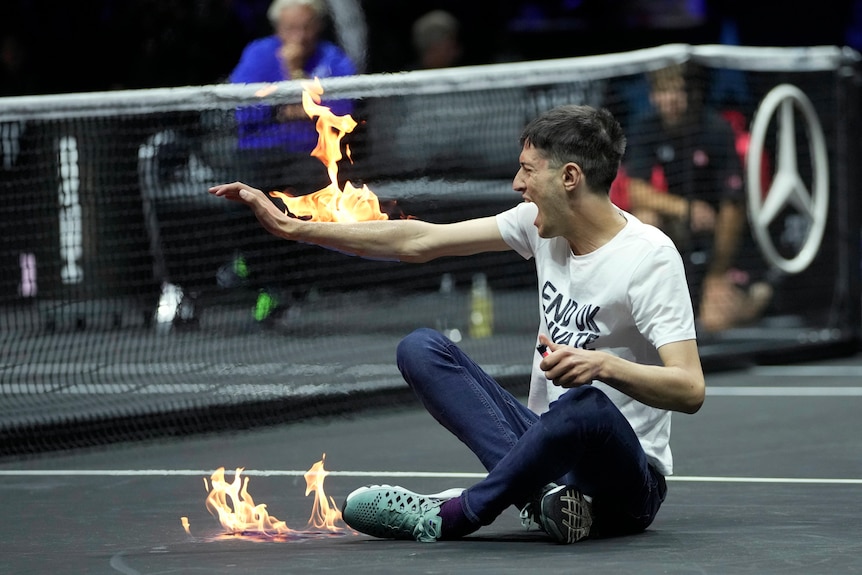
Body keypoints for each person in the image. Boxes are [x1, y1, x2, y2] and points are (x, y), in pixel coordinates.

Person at [209, 104, 705, 543]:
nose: (517, 184)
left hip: (626, 481)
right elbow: (417, 241)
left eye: (528, 171)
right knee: (421, 348)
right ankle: (544, 499)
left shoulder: (649, 258)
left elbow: (689, 389)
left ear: (569, 177)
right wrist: (293, 228)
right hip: (545, 451)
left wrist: (602, 365)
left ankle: (455, 514)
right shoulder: (537, 227)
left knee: (585, 407)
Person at [621, 63, 771, 333]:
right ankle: (651, 297)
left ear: (693, 94)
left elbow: (733, 206)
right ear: (653, 95)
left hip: (722, 233)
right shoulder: (647, 128)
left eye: (678, 91)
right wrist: (686, 208)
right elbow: (636, 191)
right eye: (664, 91)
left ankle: (757, 294)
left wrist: (717, 271)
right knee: (645, 219)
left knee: (715, 322)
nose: (672, 99)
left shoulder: (715, 129)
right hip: (684, 225)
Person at [228, 0, 357, 192]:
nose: (300, 36)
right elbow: (242, 111)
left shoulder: (332, 57)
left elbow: (344, 110)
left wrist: (294, 72)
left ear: (319, 26)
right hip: (258, 155)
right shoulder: (258, 54)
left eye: (307, 27)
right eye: (291, 28)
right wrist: (280, 109)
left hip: (314, 156)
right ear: (277, 28)